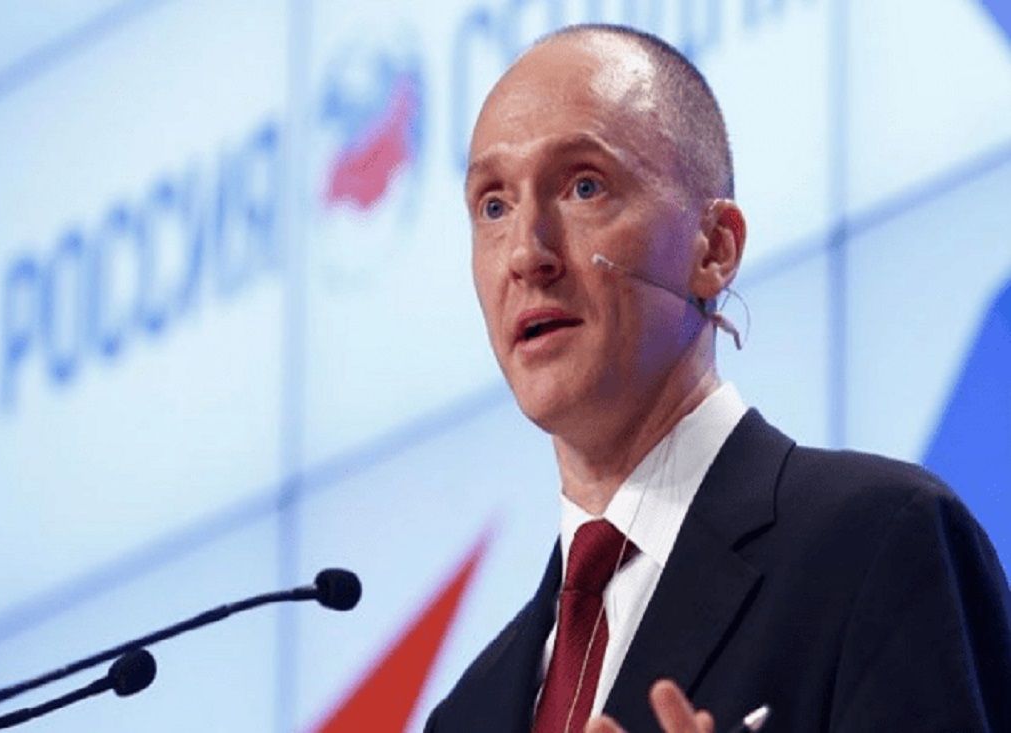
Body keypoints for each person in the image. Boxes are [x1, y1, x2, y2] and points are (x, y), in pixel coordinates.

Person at [424, 23, 1011, 733]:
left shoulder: (880, 543)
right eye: (494, 205)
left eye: (583, 186)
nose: (526, 254)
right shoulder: (466, 713)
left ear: (715, 249)